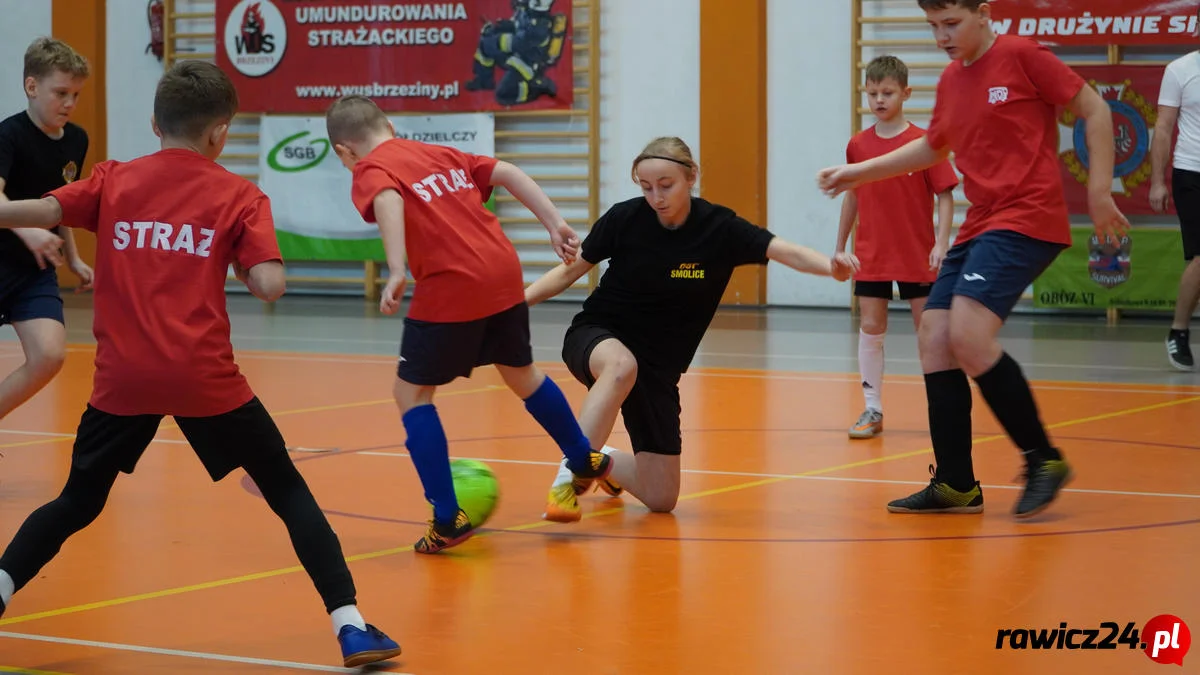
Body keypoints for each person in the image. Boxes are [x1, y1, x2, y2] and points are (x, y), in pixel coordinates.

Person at [0, 62, 402, 669]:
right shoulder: (239, 195)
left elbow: (40, 211)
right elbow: (269, 285)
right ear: (220, 132)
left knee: (77, 502)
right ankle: (351, 626)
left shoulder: (114, 179)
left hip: (124, 380)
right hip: (204, 379)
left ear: (154, 123)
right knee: (286, 489)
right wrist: (242, 260)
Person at [818, 0, 1130, 518]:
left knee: (967, 332)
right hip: (982, 222)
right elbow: (933, 149)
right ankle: (956, 484)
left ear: (983, 13)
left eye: (952, 23)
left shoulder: (1022, 56)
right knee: (935, 335)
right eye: (933, 26)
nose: (942, 36)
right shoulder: (951, 80)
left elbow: (1096, 111)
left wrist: (1099, 192)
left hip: (1027, 216)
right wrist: (858, 172)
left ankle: (1043, 458)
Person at [324, 94, 613, 552]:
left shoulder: (371, 167)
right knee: (522, 375)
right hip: (502, 271)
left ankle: (447, 518)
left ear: (345, 151)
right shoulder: (438, 153)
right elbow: (507, 172)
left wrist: (396, 269)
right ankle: (583, 457)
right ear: (390, 126)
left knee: (411, 394)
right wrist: (554, 223)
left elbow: (387, 198)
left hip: (452, 284)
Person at [526, 136, 859, 521]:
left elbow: (784, 250)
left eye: (665, 185)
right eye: (646, 187)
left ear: (691, 177)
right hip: (597, 336)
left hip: (657, 370)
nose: (656, 197)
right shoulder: (624, 219)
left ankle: (605, 460)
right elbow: (569, 272)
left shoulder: (719, 228)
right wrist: (517, 303)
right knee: (620, 366)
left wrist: (830, 268)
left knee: (661, 497)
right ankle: (566, 482)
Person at [836, 54, 958, 439]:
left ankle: (944, 408)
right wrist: (840, 246)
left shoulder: (924, 144)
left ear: (905, 93)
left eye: (887, 92)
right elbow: (852, 196)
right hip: (871, 255)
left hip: (917, 254)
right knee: (871, 326)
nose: (879, 100)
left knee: (931, 332)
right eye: (872, 93)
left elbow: (945, 194)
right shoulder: (858, 145)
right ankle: (872, 408)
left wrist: (942, 242)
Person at [0, 37, 95, 422]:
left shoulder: (76, 140)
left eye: (76, 94)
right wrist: (29, 230)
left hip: (33, 271)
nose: (70, 103)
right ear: (32, 86)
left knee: (49, 355)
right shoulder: (8, 135)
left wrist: (73, 257)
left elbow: (61, 205)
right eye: (61, 93)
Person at [1149, 22, 1200, 372]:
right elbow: (1164, 127)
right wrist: (1157, 181)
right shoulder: (1180, 70)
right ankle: (1178, 331)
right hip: (1191, 172)